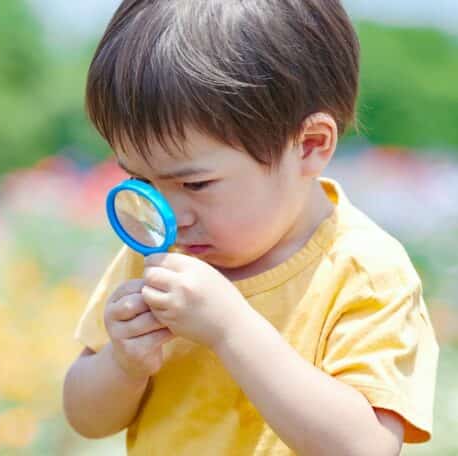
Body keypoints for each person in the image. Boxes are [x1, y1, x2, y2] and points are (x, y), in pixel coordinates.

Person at [62, 1, 439, 454]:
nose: (169, 215)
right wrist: (123, 364)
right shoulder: (158, 257)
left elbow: (364, 447)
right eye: (142, 181)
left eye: (195, 182)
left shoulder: (364, 271)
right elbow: (85, 417)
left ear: (309, 145)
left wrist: (230, 329)